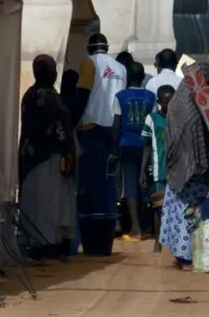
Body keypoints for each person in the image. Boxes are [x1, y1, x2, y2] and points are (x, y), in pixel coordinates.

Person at [71, 33, 126, 255]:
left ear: (88, 47)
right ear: (107, 47)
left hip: (90, 127)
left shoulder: (88, 64)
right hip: (113, 128)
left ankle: (91, 228)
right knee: (109, 179)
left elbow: (83, 94)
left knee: (89, 181)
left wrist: (71, 121)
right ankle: (112, 220)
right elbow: (119, 101)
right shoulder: (120, 68)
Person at [18, 54, 77, 261]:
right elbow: (62, 128)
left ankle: (34, 242)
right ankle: (49, 245)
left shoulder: (29, 95)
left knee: (35, 201)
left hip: (30, 157)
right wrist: (70, 154)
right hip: (51, 158)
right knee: (51, 203)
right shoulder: (52, 97)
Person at [159, 64, 209, 271]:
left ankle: (181, 255)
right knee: (189, 212)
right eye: (206, 80)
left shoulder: (175, 102)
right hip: (191, 170)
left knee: (176, 209)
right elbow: (198, 137)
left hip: (175, 167)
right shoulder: (192, 107)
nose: (206, 85)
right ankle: (187, 256)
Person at [112, 62, 156, 241]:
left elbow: (116, 123)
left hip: (126, 144)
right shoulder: (151, 96)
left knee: (130, 185)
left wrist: (113, 146)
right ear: (142, 77)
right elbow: (153, 122)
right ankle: (148, 226)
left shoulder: (120, 96)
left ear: (128, 77)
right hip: (145, 145)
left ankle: (135, 227)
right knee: (145, 184)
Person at [140, 85, 175, 252]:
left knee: (177, 207)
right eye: (166, 102)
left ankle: (176, 243)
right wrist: (142, 171)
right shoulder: (151, 119)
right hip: (159, 169)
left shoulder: (180, 118)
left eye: (172, 101)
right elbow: (147, 146)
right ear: (159, 102)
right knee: (159, 207)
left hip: (177, 170)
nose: (169, 105)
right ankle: (157, 241)